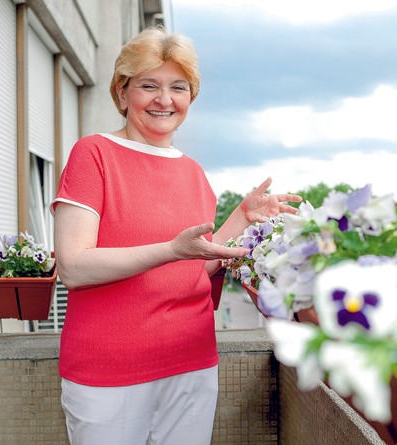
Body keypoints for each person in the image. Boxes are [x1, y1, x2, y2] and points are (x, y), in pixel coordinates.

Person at [52, 26, 301, 445]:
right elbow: (74, 267)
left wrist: (241, 217)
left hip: (192, 361)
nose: (164, 100)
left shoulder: (194, 173)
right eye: (149, 85)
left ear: (191, 96)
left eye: (178, 87)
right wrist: (169, 250)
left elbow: (193, 265)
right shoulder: (93, 154)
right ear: (122, 91)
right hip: (109, 368)